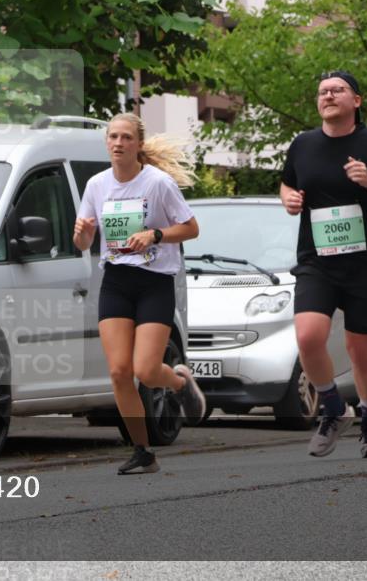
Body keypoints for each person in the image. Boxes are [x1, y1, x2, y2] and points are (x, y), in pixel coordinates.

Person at [280, 70, 367, 459]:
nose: (329, 95)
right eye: (323, 91)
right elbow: (287, 183)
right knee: (307, 336)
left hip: (366, 263)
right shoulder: (303, 144)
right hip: (316, 260)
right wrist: (288, 199)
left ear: (357, 100)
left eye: (338, 90)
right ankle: (334, 409)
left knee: (359, 348)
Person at [73, 114, 206, 475]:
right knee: (119, 372)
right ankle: (142, 450)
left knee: (146, 371)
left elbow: (191, 228)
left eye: (126, 137)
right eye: (113, 137)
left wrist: (156, 235)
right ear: (107, 143)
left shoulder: (158, 183)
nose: (118, 143)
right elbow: (83, 242)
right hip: (116, 280)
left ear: (138, 144)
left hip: (154, 282)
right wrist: (83, 232)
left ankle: (179, 383)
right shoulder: (96, 185)